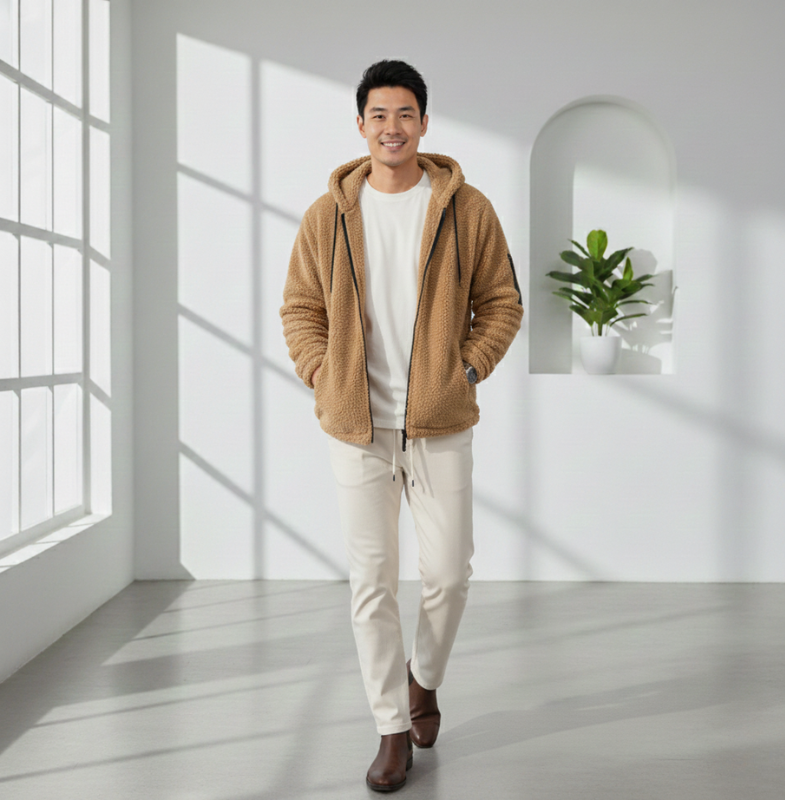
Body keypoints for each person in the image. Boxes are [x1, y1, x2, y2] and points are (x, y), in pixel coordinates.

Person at [280, 59, 523, 792]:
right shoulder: (329, 215)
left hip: (440, 423)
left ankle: (424, 681)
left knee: (448, 574)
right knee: (372, 580)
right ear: (361, 125)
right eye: (379, 115)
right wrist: (324, 375)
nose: (392, 127)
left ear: (424, 122)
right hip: (356, 427)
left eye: (405, 114)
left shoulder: (466, 207)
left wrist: (466, 371)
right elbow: (299, 309)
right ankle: (391, 726)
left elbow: (503, 303)